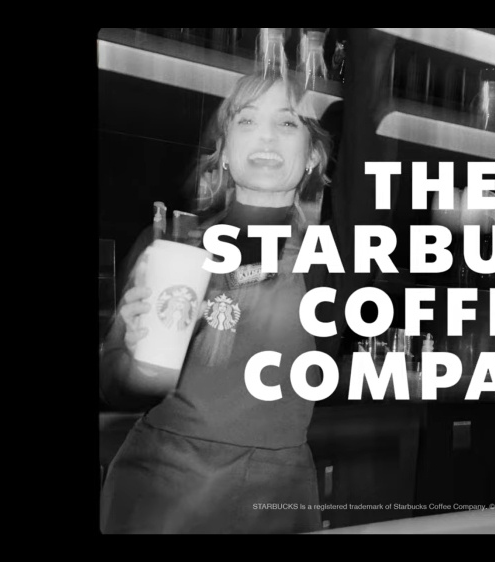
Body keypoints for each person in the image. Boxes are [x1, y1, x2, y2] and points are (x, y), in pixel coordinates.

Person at [99, 69, 369, 534]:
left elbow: (369, 145)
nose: (266, 135)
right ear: (223, 151)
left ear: (313, 155)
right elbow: (115, 387)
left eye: (287, 122)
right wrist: (133, 359)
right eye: (246, 120)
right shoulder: (170, 243)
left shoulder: (329, 259)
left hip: (274, 501)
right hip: (158, 497)